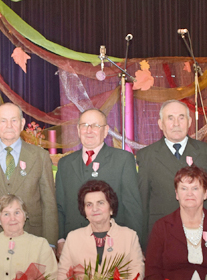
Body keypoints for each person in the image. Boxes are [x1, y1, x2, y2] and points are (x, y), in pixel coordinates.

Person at [0, 103, 58, 248]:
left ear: (22, 124)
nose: (9, 125)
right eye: (3, 121)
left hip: (32, 238)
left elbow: (49, 203)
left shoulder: (40, 156)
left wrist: (51, 244)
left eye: (14, 120)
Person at [55, 108, 144, 252]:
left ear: (106, 130)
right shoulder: (65, 163)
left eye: (95, 126)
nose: (89, 130)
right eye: (84, 125)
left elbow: (132, 207)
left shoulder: (123, 160)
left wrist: (135, 244)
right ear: (78, 130)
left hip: (114, 245)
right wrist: (60, 239)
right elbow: (60, 207)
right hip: (74, 245)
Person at [136, 100, 207, 249]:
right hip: (163, 236)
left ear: (189, 122)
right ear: (160, 124)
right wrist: (143, 244)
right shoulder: (146, 156)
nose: (176, 124)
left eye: (181, 117)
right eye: (170, 118)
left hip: (201, 235)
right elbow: (142, 202)